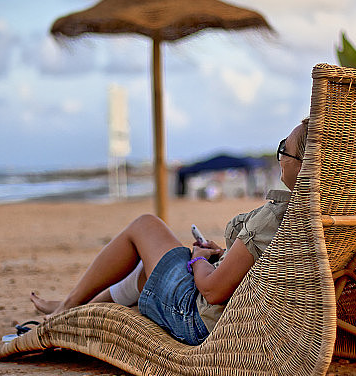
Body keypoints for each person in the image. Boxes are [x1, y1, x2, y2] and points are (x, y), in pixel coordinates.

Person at [30, 118, 309, 345]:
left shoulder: (274, 217)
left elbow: (212, 291)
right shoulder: (313, 216)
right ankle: (76, 307)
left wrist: (199, 258)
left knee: (146, 225)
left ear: (302, 165)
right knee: (149, 270)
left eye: (285, 148)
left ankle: (70, 305)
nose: (281, 155)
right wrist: (225, 255)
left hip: (200, 320)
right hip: (242, 315)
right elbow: (266, 267)